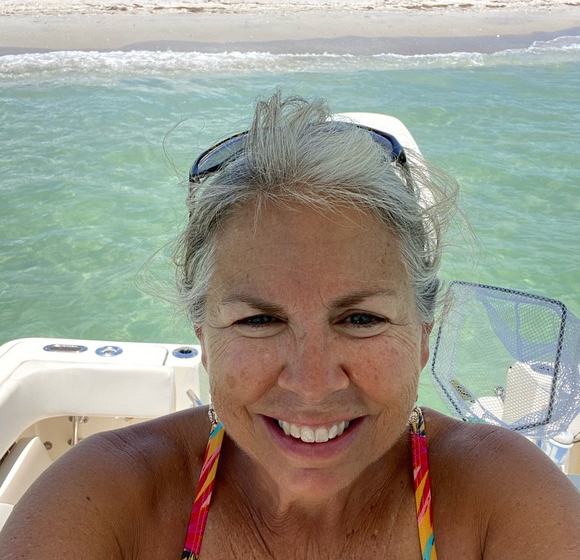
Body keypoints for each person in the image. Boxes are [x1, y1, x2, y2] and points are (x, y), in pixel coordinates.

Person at [1, 92, 579, 559]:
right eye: (259, 319)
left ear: (424, 333)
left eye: (360, 319)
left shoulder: (504, 500)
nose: (312, 382)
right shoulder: (107, 498)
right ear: (204, 337)